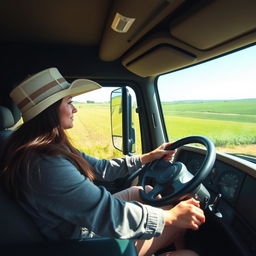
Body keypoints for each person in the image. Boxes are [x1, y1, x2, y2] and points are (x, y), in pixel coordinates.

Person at [0, 68, 205, 256]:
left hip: (73, 221)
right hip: (79, 240)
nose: (75, 109)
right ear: (51, 110)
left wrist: (146, 157)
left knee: (141, 192)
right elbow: (105, 213)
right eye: (69, 102)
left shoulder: (46, 147)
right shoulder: (43, 163)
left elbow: (99, 168)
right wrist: (169, 218)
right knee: (188, 247)